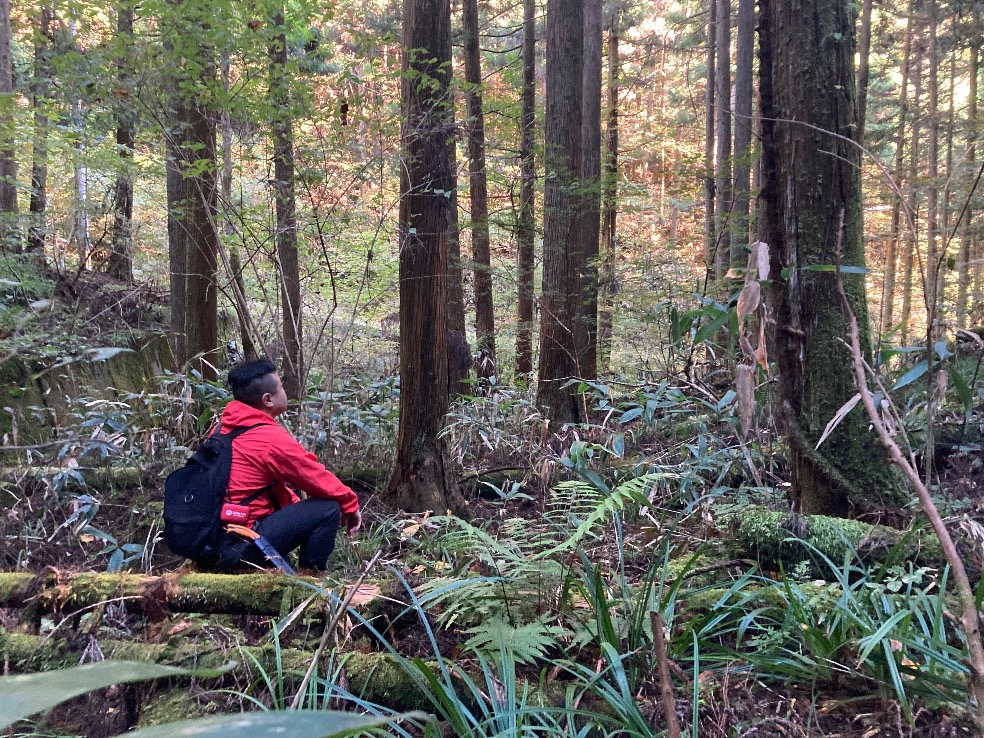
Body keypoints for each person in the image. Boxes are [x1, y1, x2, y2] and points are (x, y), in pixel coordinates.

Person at [218, 358, 361, 572]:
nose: (285, 391)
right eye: (281, 387)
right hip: (244, 542)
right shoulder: (268, 438)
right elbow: (314, 476)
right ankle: (310, 582)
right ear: (268, 400)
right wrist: (350, 503)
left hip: (219, 537)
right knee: (328, 508)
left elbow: (259, 490)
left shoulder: (222, 429)